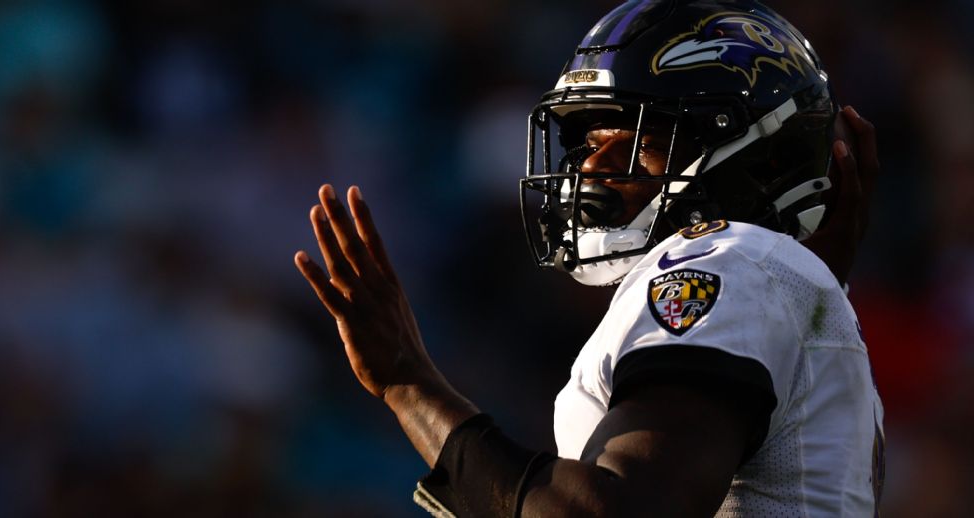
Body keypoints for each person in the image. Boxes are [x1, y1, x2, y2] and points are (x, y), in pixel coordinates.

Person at [293, 0, 882, 516]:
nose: (591, 171)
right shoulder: (767, 280)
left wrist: (411, 385)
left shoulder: (733, 260)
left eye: (634, 143)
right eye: (588, 145)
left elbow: (616, 512)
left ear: (745, 150)